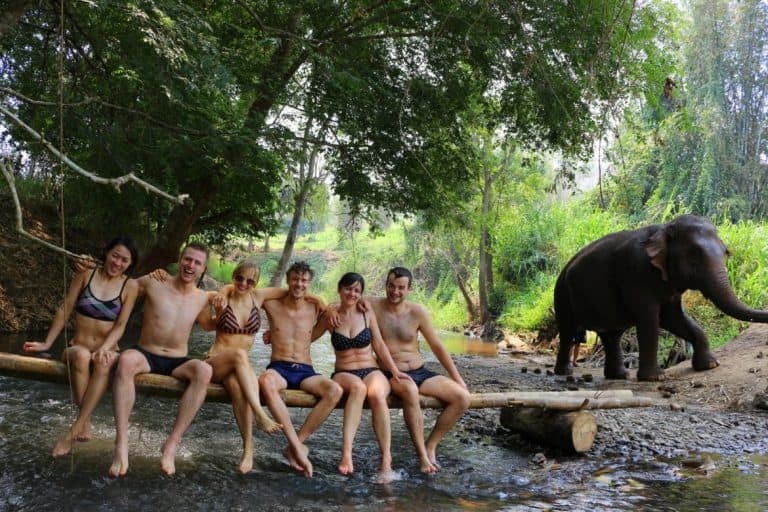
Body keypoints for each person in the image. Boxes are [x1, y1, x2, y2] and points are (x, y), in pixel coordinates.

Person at [200, 260, 326, 473]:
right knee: (240, 355)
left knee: (239, 390)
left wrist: (320, 299)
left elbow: (292, 291)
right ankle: (260, 414)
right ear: (233, 277)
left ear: (256, 283)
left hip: (237, 370)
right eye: (239, 278)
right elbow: (204, 321)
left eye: (250, 280)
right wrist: (220, 297)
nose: (244, 283)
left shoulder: (257, 297)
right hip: (217, 362)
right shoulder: (222, 296)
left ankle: (248, 448)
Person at [23, 237, 140, 457]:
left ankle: (74, 430)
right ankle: (84, 422)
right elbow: (65, 308)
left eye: (124, 260)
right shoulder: (86, 273)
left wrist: (105, 348)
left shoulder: (130, 286)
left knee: (102, 363)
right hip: (76, 347)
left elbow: (121, 325)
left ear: (130, 264)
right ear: (106, 252)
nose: (117, 262)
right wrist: (46, 342)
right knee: (82, 356)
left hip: (108, 350)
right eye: (115, 255)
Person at [109, 241, 213, 477]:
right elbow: (120, 283)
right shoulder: (155, 281)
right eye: (187, 259)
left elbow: (209, 326)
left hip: (178, 360)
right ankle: (122, 444)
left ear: (203, 269)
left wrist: (226, 303)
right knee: (125, 361)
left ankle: (171, 444)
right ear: (179, 259)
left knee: (204, 371)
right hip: (146, 353)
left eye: (197, 263)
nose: (191, 265)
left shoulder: (202, 298)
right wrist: (87, 268)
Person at [312, 272, 410, 483]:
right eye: (348, 288)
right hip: (344, 373)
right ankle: (346, 453)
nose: (352, 293)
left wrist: (394, 370)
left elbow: (379, 345)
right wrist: (274, 337)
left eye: (357, 290)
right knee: (358, 387)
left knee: (376, 395)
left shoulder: (367, 313)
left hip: (371, 369)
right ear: (339, 289)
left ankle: (386, 460)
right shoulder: (331, 316)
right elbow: (307, 337)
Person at [370, 267, 470, 471]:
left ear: (409, 289)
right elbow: (344, 298)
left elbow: (437, 346)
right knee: (410, 390)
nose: (395, 291)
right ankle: (422, 456)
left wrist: (457, 378)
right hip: (391, 373)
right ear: (385, 285)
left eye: (400, 288)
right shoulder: (372, 306)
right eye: (391, 286)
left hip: (420, 371)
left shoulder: (417, 312)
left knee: (462, 397)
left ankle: (431, 445)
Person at [257, 261, 343, 478]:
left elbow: (333, 313)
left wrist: (326, 304)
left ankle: (296, 444)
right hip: (279, 366)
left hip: (305, 370)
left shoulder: (315, 306)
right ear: (288, 280)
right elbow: (249, 293)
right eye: (295, 279)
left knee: (335, 391)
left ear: (309, 283)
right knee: (266, 382)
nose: (299, 284)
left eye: (304, 280)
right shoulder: (272, 303)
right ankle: (296, 446)